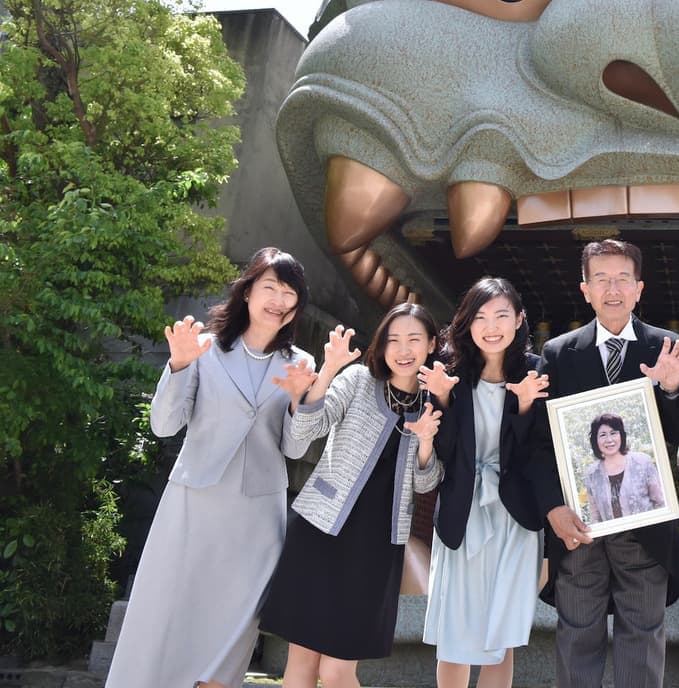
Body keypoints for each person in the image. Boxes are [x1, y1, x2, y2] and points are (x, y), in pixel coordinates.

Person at [106, 248, 312, 688]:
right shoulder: (205, 348)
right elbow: (163, 425)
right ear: (248, 291)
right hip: (194, 503)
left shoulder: (301, 364)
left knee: (234, 626)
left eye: (289, 291)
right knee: (167, 612)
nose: (278, 299)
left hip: (258, 517)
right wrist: (179, 365)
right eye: (270, 287)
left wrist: (300, 402)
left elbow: (294, 449)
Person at [526, 239, 679, 688]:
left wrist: (672, 389)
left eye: (623, 279)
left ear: (639, 288)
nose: (613, 289)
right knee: (576, 638)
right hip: (579, 526)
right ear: (585, 290)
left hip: (645, 529)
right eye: (601, 279)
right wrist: (553, 508)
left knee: (642, 640)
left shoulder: (666, 347)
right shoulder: (558, 353)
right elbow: (540, 445)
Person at [259, 303, 444, 688]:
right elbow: (305, 430)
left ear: (431, 345)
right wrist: (327, 370)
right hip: (319, 533)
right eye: (393, 340)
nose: (403, 350)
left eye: (414, 339)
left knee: (337, 670)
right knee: (301, 662)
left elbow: (426, 484)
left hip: (376, 551)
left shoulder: (435, 404)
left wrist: (426, 441)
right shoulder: (359, 380)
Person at [422, 277, 549, 688]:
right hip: (463, 510)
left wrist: (525, 406)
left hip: (514, 516)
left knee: (502, 632)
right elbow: (444, 449)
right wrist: (441, 399)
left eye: (501, 316)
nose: (491, 327)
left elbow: (538, 451)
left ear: (519, 320)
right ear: (467, 322)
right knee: (455, 630)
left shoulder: (535, 371)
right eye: (480, 317)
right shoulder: (450, 372)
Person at [582, 413, 665, 522]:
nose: (609, 440)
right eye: (603, 435)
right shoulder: (592, 474)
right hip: (613, 533)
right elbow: (595, 517)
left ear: (621, 435)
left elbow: (660, 502)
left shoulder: (643, 462)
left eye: (613, 433)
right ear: (595, 440)